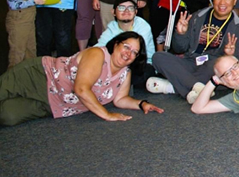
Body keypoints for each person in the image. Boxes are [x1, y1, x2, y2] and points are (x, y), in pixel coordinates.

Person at [0, 32, 163, 126]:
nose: (129, 53)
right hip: (39, 76)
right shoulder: (98, 54)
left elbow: (120, 99)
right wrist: (106, 115)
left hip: (53, 104)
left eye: (134, 52)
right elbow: (81, 89)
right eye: (126, 47)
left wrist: (141, 104)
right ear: (116, 45)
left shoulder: (124, 73)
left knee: (7, 116)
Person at [147, 0, 239, 103]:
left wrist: (229, 55)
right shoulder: (198, 16)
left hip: (211, 67)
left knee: (215, 66)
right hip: (190, 61)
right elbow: (180, 49)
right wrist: (180, 34)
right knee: (158, 57)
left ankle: (174, 86)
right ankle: (198, 88)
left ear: (234, 1)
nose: (222, 3)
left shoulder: (238, 27)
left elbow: (236, 64)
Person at [94, 0, 156, 91]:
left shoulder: (143, 26)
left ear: (136, 12)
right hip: (120, 63)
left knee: (144, 72)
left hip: (141, 63)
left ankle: (116, 84)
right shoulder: (111, 28)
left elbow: (136, 55)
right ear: (113, 12)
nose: (126, 11)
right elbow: (98, 48)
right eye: (121, 7)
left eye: (131, 8)